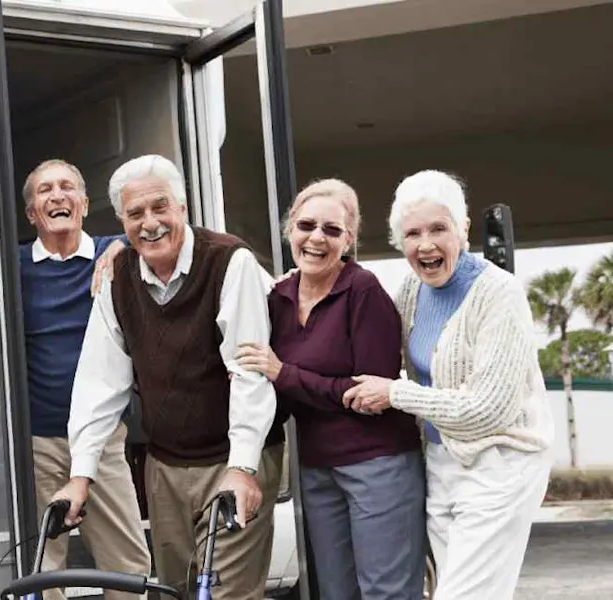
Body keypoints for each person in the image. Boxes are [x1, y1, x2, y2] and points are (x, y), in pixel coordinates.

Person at [54, 154, 282, 600]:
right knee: (175, 591)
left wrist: (242, 467)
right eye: (135, 213)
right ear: (122, 221)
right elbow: (99, 383)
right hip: (166, 466)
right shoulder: (117, 276)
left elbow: (248, 372)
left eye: (160, 207)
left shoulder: (229, 262)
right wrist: (81, 474)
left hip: (232, 457)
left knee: (224, 594)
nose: (150, 222)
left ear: (182, 208)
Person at [344, 169, 554, 600]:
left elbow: (487, 408)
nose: (426, 245)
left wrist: (395, 393)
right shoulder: (410, 291)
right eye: (412, 233)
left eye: (439, 229)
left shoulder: (499, 294)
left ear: (463, 230)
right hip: (441, 463)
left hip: (501, 463)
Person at [0, 158, 150, 600]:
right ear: (32, 214)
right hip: (39, 438)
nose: (57, 195)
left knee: (128, 562)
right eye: (45, 190)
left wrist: (124, 246)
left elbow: (166, 239)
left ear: (84, 203)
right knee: (44, 566)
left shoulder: (114, 251)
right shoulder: (15, 264)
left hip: (101, 436)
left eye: (67, 188)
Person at [236, 179, 425, 599]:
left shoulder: (364, 291)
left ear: (348, 240)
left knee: (385, 591)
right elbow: (277, 390)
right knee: (336, 592)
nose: (316, 238)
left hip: (379, 466)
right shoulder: (277, 298)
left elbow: (368, 395)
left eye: (332, 230)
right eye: (307, 225)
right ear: (290, 231)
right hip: (316, 468)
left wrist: (282, 373)